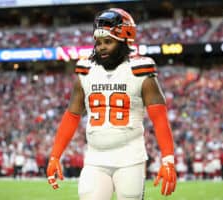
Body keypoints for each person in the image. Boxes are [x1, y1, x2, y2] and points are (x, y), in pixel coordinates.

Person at [47, 8, 177, 200]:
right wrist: (55, 156)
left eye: (108, 41)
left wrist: (168, 160)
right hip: (95, 158)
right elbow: (72, 116)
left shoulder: (140, 70)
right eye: (98, 42)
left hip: (130, 157)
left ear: (125, 40)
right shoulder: (86, 70)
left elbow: (159, 119)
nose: (101, 47)